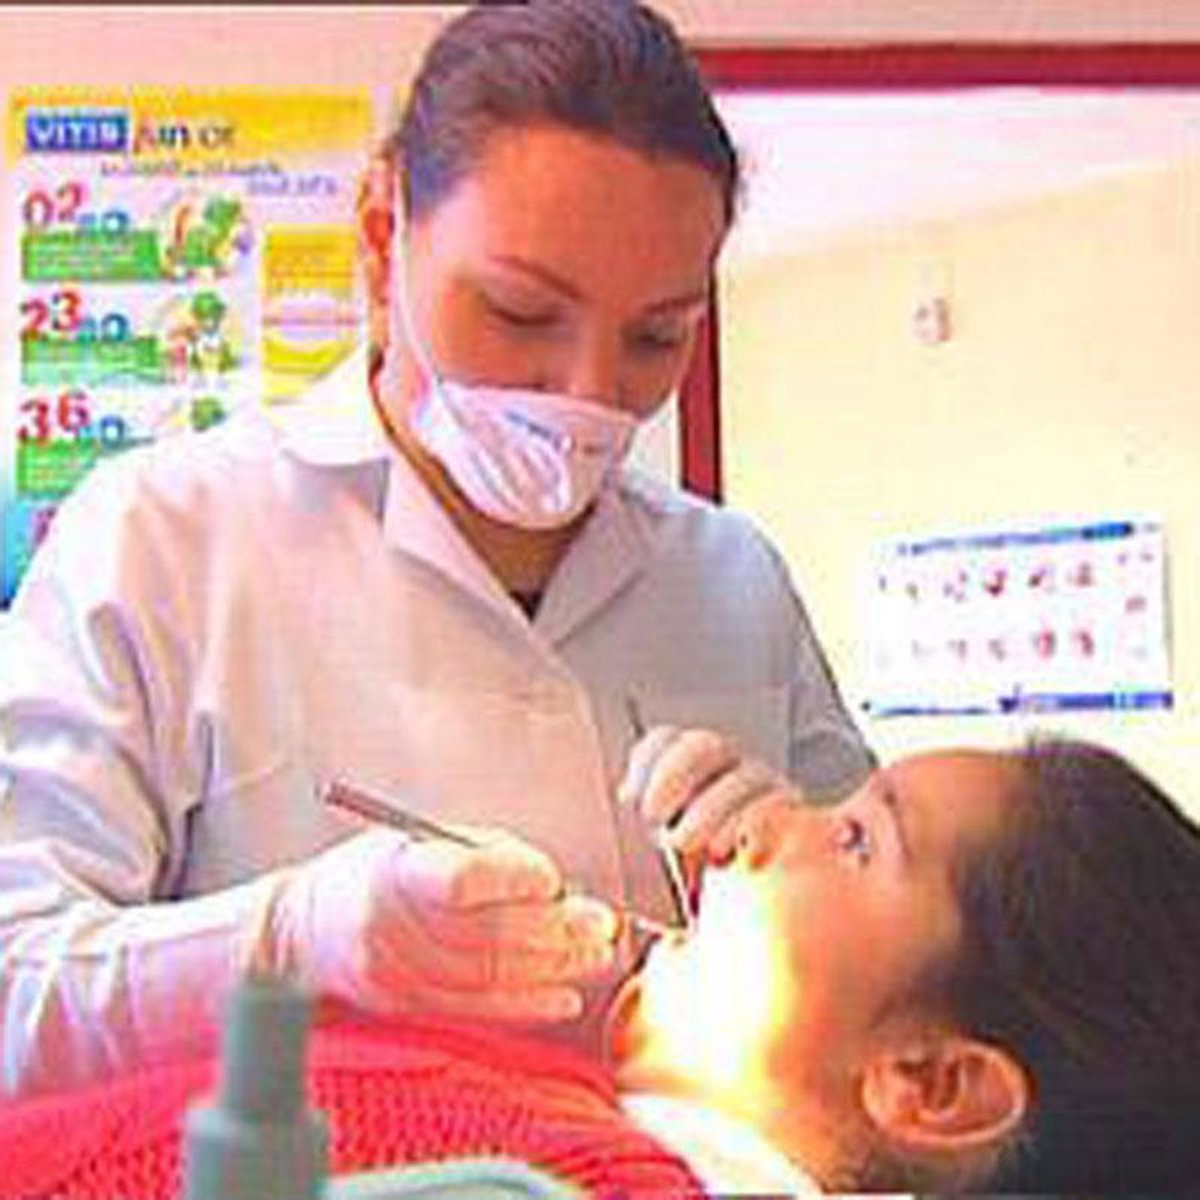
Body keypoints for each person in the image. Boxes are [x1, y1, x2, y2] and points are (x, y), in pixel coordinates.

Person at [0, 0, 872, 1095]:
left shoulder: (731, 578)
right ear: (381, 237)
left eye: (657, 336)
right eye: (519, 312)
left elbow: (917, 998)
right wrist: (288, 943)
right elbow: (14, 994)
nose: (590, 391)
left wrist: (801, 879)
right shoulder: (164, 540)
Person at [0, 736, 1196, 1198]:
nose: (758, 828)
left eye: (852, 838)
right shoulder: (574, 1126)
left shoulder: (558, 1178)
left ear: (930, 1085)